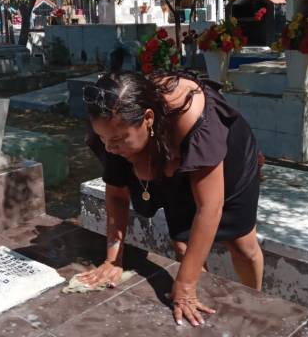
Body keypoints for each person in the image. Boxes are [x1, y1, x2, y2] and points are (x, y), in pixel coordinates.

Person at [78, 71, 264, 327]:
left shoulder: (190, 118)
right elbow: (117, 194)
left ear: (148, 119)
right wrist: (113, 259)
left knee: (241, 243)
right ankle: (205, 313)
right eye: (102, 139)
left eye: (117, 140)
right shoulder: (112, 127)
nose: (109, 148)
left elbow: (209, 207)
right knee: (184, 242)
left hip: (225, 156)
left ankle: (256, 303)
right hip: (161, 151)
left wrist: (185, 285)